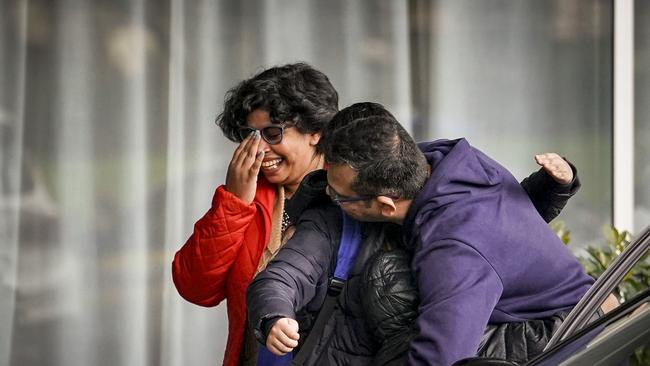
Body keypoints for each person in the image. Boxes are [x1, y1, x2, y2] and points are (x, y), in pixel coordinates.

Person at [246, 105, 588, 365]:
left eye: (339, 196)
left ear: (384, 205)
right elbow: (507, 227)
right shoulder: (442, 164)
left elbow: (440, 357)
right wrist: (551, 188)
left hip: (561, 334)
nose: (330, 197)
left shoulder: (454, 249)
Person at [171, 62, 339, 366]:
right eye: (251, 135)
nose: (260, 149)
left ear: (315, 131)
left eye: (272, 134)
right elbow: (195, 288)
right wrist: (233, 203)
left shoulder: (351, 191)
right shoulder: (246, 193)